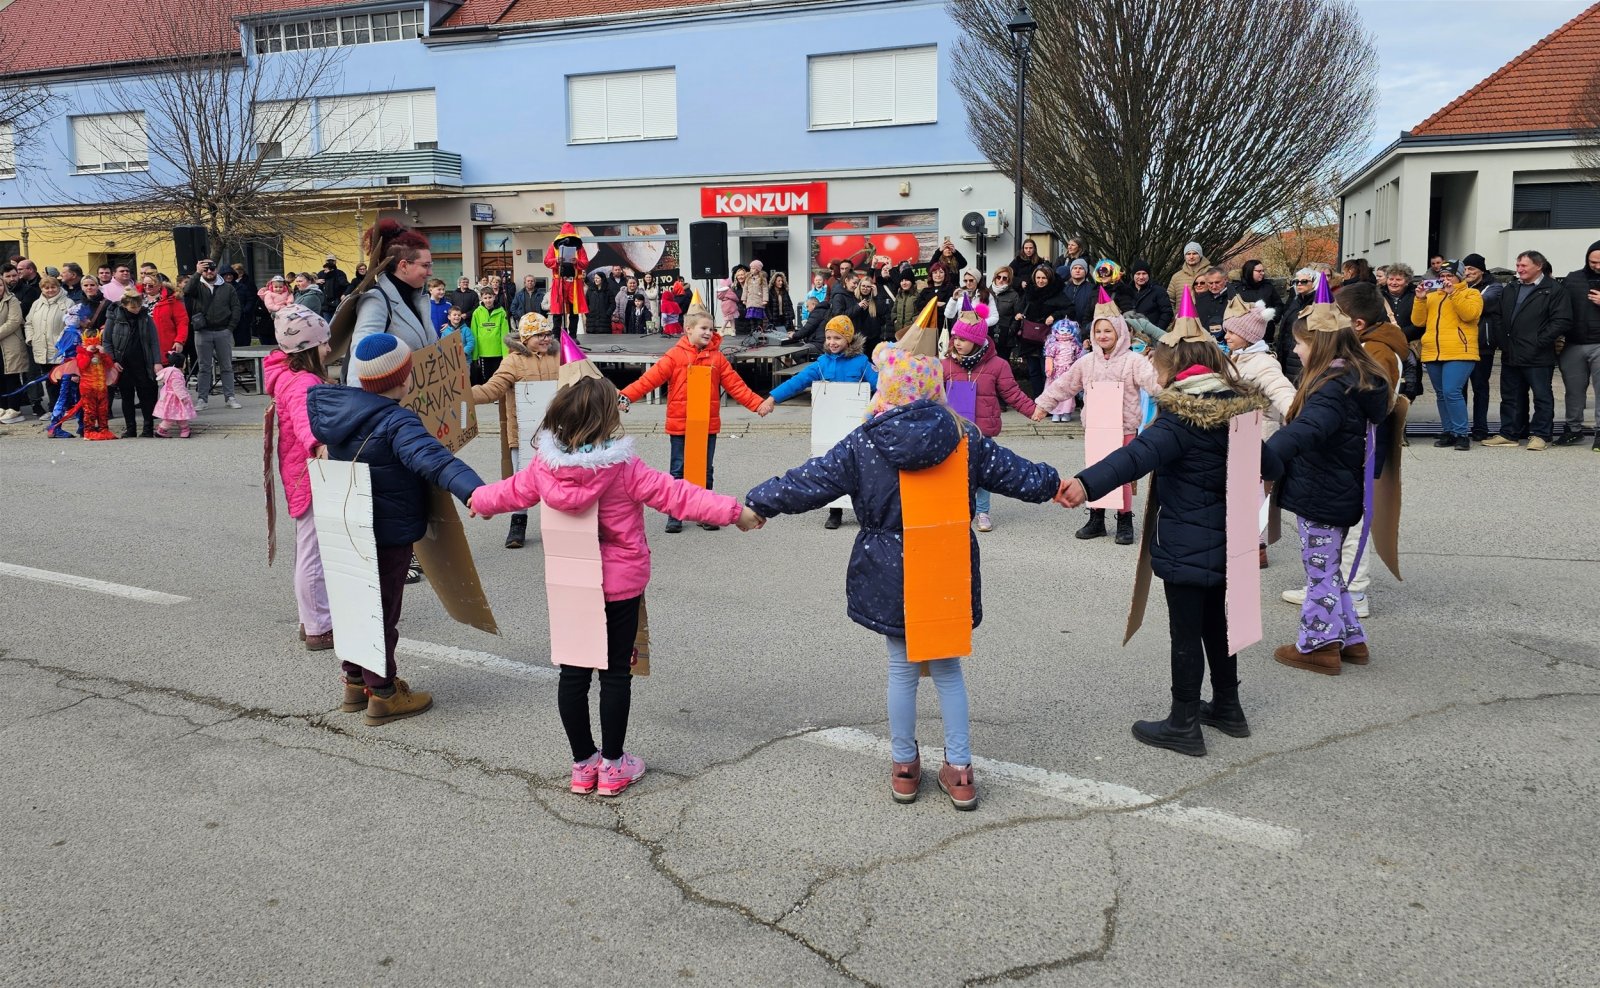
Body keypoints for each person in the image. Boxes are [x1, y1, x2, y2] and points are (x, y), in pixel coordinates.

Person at [745, 341, 1064, 809]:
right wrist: (1059, 484)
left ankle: (903, 765)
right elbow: (1016, 473)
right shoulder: (964, 436)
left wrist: (758, 502)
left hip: (888, 568)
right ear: (935, 387)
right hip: (946, 563)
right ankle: (959, 770)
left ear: (887, 386)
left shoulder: (865, 441)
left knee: (902, 668)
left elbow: (810, 480)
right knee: (949, 669)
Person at [469, 374, 761, 795]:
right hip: (619, 585)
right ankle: (612, 766)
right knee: (614, 675)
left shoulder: (543, 466)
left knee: (572, 675)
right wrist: (736, 512)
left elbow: (511, 492)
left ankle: (582, 764)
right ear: (607, 420)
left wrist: (479, 501)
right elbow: (678, 495)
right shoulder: (623, 468)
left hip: (572, 581)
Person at [1056, 324, 1269, 756]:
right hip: (1231, 538)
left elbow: (1135, 456)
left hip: (1188, 541)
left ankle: (1184, 723)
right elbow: (1271, 461)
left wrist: (1084, 483)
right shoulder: (1239, 409)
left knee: (1187, 632)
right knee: (1216, 625)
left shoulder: (1181, 417)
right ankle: (1229, 708)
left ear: (1174, 369)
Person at [307, 334, 485, 725]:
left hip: (349, 524)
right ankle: (384, 693)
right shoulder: (395, 419)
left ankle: (355, 683)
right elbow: (432, 459)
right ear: (403, 377)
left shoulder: (339, 408)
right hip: (387, 529)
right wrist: (475, 492)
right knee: (382, 611)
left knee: (355, 602)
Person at [1260, 299, 1394, 675]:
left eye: (1300, 344)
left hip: (1322, 492)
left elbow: (1309, 428)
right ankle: (1351, 639)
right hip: (1334, 488)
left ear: (1319, 345)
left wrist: (1264, 457)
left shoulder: (1333, 388)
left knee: (1319, 574)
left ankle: (1317, 646)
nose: (1296, 350)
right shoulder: (1352, 376)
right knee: (1329, 569)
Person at [618, 307, 770, 532]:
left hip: (707, 425)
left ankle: (706, 512)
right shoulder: (675, 355)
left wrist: (758, 404)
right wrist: (626, 395)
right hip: (680, 425)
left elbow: (736, 385)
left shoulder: (717, 358)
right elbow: (650, 379)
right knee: (678, 470)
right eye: (704, 328)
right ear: (688, 330)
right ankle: (675, 513)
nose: (709, 332)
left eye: (712, 328)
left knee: (705, 470)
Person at [1033, 298, 1161, 544]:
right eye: (1098, 331)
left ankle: (1125, 520)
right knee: (1095, 472)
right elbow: (1065, 384)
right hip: (1096, 428)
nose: (1103, 335)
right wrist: (1044, 404)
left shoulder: (1133, 361)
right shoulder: (1086, 362)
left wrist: (1173, 398)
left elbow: (1153, 382)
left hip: (1124, 428)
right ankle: (1096, 517)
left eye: (1108, 330)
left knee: (1123, 475)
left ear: (1120, 332)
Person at [760, 314, 877, 529]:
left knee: (859, 468)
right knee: (831, 467)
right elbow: (798, 381)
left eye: (838, 338)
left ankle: (861, 509)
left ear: (848, 340)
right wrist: (772, 398)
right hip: (830, 425)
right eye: (829, 337)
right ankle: (835, 511)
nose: (832, 342)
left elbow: (880, 384)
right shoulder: (822, 364)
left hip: (855, 425)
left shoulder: (861, 363)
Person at [942, 304, 1039, 532]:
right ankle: (956, 509)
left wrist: (1032, 410)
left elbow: (1012, 392)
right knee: (953, 471)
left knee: (982, 471)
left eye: (962, 339)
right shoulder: (944, 364)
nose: (957, 343)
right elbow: (931, 392)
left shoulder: (998, 365)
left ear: (976, 340)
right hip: (953, 428)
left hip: (983, 427)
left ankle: (983, 512)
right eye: (955, 338)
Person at [471, 312, 559, 549]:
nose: (546, 338)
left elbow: (581, 380)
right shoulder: (513, 361)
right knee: (523, 481)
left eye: (548, 333)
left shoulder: (558, 356)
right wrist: (462, 395)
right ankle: (518, 523)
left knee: (560, 478)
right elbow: (492, 390)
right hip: (523, 435)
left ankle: (560, 524)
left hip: (557, 433)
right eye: (540, 334)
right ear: (526, 336)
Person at [1484, 250, 1572, 450]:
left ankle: (1541, 435)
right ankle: (1509, 433)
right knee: (1511, 395)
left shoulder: (1554, 289)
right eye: (1517, 265)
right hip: (1511, 351)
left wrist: (1540, 341)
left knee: (1541, 396)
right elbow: (1497, 314)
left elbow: (1562, 320)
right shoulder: (1511, 287)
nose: (1519, 270)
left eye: (1523, 266)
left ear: (1538, 266)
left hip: (1538, 354)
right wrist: (1502, 340)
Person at [1408, 261, 1481, 449]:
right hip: (1433, 351)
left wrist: (1453, 293)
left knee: (1451, 391)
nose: (1445, 280)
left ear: (1460, 277)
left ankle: (1462, 433)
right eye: (1442, 276)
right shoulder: (1433, 297)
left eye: (1450, 276)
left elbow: (1469, 315)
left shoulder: (1471, 293)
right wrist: (1420, 299)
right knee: (1441, 394)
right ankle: (1449, 431)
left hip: (1459, 351)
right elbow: (1418, 321)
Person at [348, 220, 437, 361]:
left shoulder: (416, 297)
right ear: (403, 266)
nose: (430, 272)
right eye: (426, 265)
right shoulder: (376, 301)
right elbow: (360, 359)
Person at [183, 259, 242, 410]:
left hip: (223, 331)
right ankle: (202, 399)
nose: (209, 272)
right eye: (205, 269)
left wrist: (230, 328)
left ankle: (230, 397)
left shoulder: (227, 288)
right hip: (202, 331)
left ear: (217, 270)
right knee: (204, 367)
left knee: (226, 366)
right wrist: (196, 272)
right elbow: (187, 291)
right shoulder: (197, 285)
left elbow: (236, 308)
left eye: (212, 269)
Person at [1557, 240, 1600, 448]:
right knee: (1573, 390)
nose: (1597, 266)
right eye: (1593, 262)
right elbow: (1559, 306)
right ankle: (1573, 429)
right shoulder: (1573, 278)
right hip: (1573, 343)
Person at [104, 288, 161, 437]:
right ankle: (131, 429)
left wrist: (157, 362)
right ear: (124, 305)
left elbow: (154, 341)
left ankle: (148, 429)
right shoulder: (114, 317)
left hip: (143, 362)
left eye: (138, 306)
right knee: (127, 396)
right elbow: (107, 341)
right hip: (122, 363)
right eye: (132, 307)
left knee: (146, 396)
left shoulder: (146, 317)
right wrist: (113, 361)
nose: (136, 310)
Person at [1461, 254, 1502, 441]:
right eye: (1466, 269)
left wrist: (1460, 300)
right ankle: (1459, 427)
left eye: (1472, 269)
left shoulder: (1494, 287)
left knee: (1480, 388)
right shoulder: (1459, 285)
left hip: (1482, 345)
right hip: (1459, 345)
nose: (1467, 272)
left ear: (1481, 271)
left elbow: (1478, 306)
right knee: (1458, 390)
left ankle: (1480, 428)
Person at [1015, 264, 1070, 396]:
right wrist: (1018, 314)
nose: (1040, 281)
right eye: (1038, 278)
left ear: (1049, 278)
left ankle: (1048, 399)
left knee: (1047, 370)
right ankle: (1037, 399)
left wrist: (1054, 316)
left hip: (1048, 337)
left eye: (1043, 278)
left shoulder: (1057, 293)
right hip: (1030, 337)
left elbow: (1069, 309)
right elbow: (1020, 307)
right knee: (1033, 371)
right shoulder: (1029, 291)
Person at [25, 275, 74, 411]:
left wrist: (63, 341)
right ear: (41, 289)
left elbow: (71, 325)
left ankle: (64, 406)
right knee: (49, 380)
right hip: (41, 347)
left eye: (53, 287)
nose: (50, 290)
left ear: (58, 287)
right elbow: (28, 323)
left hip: (60, 348)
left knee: (61, 380)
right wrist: (31, 339)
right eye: (46, 288)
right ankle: (54, 407)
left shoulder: (68, 303)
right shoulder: (36, 304)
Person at [1275, 269, 1319, 382]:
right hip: (1286, 352)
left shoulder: (1317, 303)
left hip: (1301, 355)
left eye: (1304, 281)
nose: (1299, 284)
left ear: (1314, 282)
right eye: (1296, 281)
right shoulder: (1296, 301)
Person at [142, 274, 187, 366]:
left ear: (159, 286)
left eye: (150, 285)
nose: (147, 287)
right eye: (144, 285)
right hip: (143, 344)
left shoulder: (171, 300)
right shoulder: (138, 299)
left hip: (165, 344)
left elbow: (182, 322)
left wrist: (179, 341)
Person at [1042, 318, 1082, 421]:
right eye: (1062, 330)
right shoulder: (1053, 345)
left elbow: (1078, 358)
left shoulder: (1074, 345)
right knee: (1055, 392)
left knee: (1067, 393)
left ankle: (1066, 412)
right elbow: (1049, 357)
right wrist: (1049, 370)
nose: (1064, 333)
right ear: (1057, 330)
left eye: (1067, 331)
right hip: (1055, 373)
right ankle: (1055, 412)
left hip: (1069, 372)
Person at [469, 288, 509, 383]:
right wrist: (475, 356)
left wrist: (506, 355)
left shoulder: (502, 313)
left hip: (498, 352)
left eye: (490, 297)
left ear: (494, 297)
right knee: (485, 379)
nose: (488, 300)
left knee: (497, 378)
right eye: (485, 298)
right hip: (483, 353)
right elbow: (474, 334)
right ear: (481, 299)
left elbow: (504, 335)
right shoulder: (477, 313)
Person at [0, 276, 25, 424]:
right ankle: (2, 406)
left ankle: (14, 408)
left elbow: (14, 321)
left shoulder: (12, 300)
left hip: (11, 343)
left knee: (12, 375)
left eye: (0, 285)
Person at [1232, 260, 1282, 332]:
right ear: (1249, 272)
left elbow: (1278, 305)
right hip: (1244, 331)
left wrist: (1273, 316)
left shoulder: (1268, 287)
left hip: (1266, 331)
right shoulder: (1237, 290)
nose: (1262, 273)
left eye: (1263, 271)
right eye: (1259, 271)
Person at [153, 355, 195, 439]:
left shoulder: (169, 371)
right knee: (173, 416)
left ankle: (185, 430)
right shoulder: (177, 374)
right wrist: (183, 397)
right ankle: (162, 430)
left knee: (176, 415)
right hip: (176, 399)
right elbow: (178, 387)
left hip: (168, 397)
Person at [1127, 259, 1173, 331]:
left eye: (1144, 273)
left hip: (1153, 333)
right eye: (1138, 274)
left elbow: (1167, 313)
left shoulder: (1159, 291)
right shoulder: (1126, 291)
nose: (1141, 277)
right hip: (1131, 333)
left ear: (1148, 275)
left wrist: (1157, 330)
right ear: (1133, 275)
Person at [988, 266, 1022, 359]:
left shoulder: (1013, 295)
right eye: (998, 277)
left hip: (1005, 337)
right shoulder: (986, 292)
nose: (1001, 280)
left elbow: (1018, 316)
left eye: (1004, 278)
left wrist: (1010, 331)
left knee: (1002, 365)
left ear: (1009, 280)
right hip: (987, 335)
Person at [1192, 268, 1234, 341]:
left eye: (1217, 282)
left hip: (1228, 341)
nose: (1214, 286)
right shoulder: (1200, 299)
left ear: (1225, 280)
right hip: (1205, 342)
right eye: (1210, 283)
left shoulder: (1234, 297)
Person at [1167, 242, 1209, 306]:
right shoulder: (1176, 277)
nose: (1191, 257)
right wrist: (1174, 314)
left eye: (1194, 253)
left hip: (1207, 315)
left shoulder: (1211, 273)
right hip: (1182, 315)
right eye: (1188, 254)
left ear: (1200, 255)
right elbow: (1169, 300)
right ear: (1184, 256)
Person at [1061, 258, 1096, 329]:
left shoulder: (1093, 289)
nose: (1077, 270)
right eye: (1075, 268)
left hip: (1085, 328)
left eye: (1081, 268)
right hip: (1066, 329)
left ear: (1085, 271)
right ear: (1071, 271)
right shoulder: (1064, 289)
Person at [1378, 263, 1415, 328]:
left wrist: (1402, 334)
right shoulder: (1377, 295)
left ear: (1407, 282)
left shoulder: (1415, 296)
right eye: (1391, 279)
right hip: (1383, 336)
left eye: (1398, 280)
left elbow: (1419, 323)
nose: (1394, 283)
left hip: (1409, 337)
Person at [766, 271, 796, 337]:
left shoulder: (784, 292)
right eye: (779, 281)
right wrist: (770, 318)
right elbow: (767, 307)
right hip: (774, 318)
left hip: (784, 318)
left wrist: (791, 315)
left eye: (782, 281)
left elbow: (789, 304)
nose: (781, 282)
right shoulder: (770, 292)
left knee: (786, 335)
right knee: (776, 336)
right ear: (774, 282)